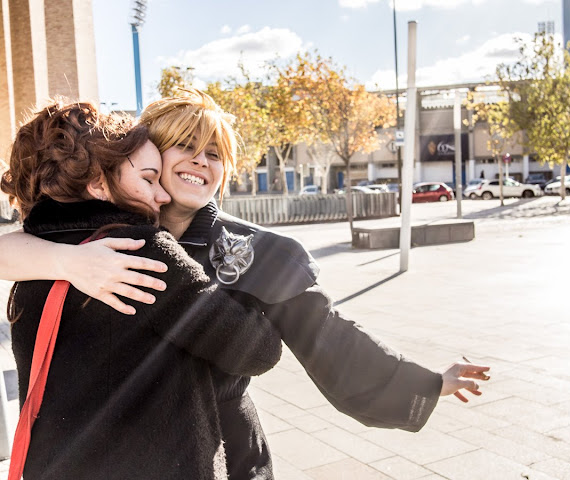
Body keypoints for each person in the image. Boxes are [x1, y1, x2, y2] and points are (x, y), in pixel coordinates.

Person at [0, 89, 490, 479]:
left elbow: (330, 337)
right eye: (184, 147)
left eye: (214, 153)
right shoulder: (86, 236)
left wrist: (427, 383)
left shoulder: (259, 250)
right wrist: (68, 261)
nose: (201, 161)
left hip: (221, 454)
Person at [0, 100, 281, 479]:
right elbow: (258, 351)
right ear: (99, 183)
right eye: (149, 179)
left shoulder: (34, 255)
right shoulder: (139, 251)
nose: (162, 195)